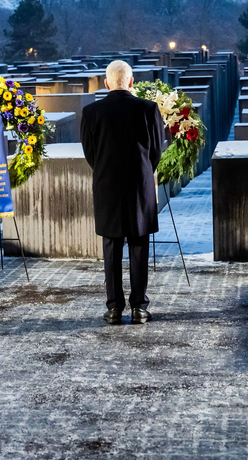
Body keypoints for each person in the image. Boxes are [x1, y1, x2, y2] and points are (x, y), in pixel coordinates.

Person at [80, 60, 165, 325]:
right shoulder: (148, 109)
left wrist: (105, 170)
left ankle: (114, 308)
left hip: (107, 185)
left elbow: (90, 153)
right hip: (139, 186)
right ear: (131, 82)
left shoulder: (92, 112)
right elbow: (156, 152)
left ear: (106, 84)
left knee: (111, 246)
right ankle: (139, 307)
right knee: (139, 245)